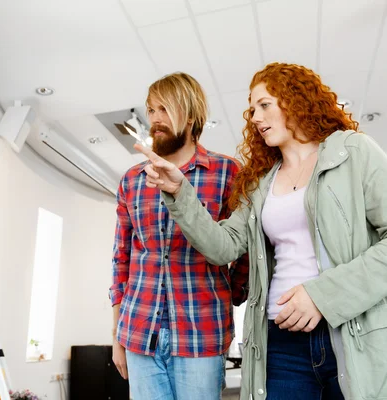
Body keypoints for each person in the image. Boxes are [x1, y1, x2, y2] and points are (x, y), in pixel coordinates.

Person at [135, 62, 387, 400]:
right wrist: (180, 193)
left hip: (353, 333)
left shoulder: (352, 151)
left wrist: (323, 296)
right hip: (279, 341)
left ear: (298, 100)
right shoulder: (261, 180)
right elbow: (223, 246)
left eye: (265, 105)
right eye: (252, 110)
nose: (256, 117)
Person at [109, 72, 249, 400]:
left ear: (190, 115)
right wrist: (117, 334)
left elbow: (241, 250)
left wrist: (232, 295)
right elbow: (121, 260)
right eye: (151, 110)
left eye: (165, 109)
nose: (155, 119)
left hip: (201, 333)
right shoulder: (132, 180)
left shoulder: (228, 173)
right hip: (138, 333)